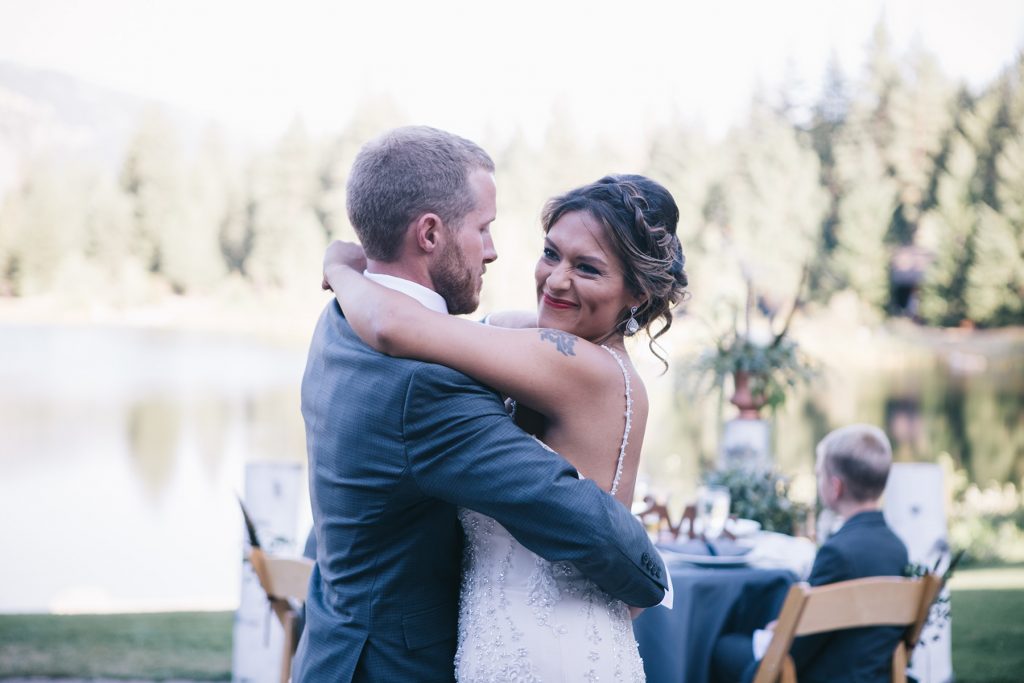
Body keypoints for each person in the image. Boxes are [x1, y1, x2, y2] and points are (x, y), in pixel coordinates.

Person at [293, 126, 670, 683]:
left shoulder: (343, 323)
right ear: (429, 234)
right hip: (394, 665)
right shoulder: (427, 380)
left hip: (342, 648)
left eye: (586, 267)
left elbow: (406, 325)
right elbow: (575, 517)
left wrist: (344, 270)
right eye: (484, 228)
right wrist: (654, 579)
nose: (493, 250)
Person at [711, 424, 909, 683]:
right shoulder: (898, 549)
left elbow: (795, 652)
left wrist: (784, 631)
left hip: (827, 675)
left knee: (725, 649)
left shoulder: (837, 553)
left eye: (819, 475)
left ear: (835, 487)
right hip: (872, 672)